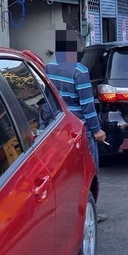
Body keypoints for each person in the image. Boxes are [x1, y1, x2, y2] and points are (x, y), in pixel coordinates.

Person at [45, 30, 106, 169]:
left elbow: (48, 97)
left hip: (59, 126)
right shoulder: (80, 71)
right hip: (80, 129)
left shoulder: (49, 67)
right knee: (89, 170)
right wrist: (97, 130)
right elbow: (87, 105)